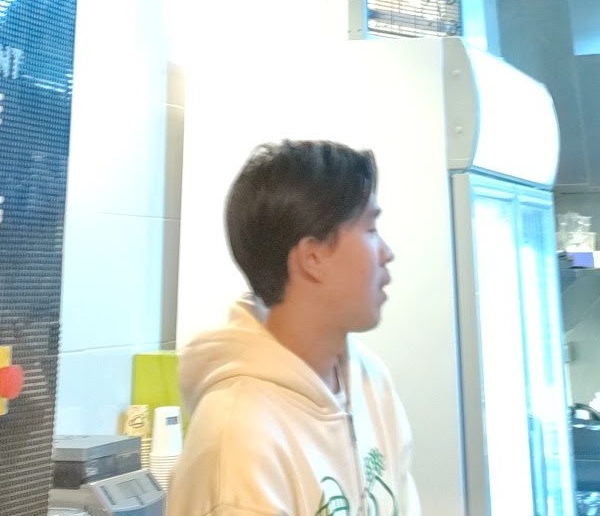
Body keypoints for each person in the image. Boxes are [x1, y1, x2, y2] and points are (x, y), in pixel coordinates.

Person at [168, 139, 419, 516]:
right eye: (370, 228)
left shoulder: (371, 381)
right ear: (312, 257)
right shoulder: (237, 438)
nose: (387, 252)